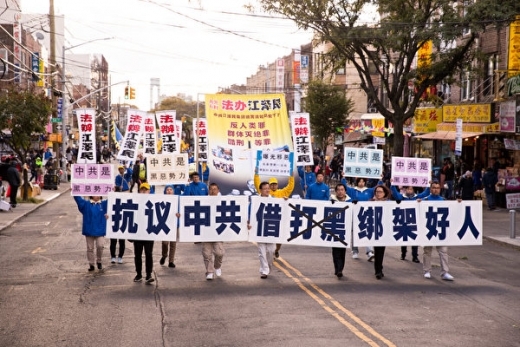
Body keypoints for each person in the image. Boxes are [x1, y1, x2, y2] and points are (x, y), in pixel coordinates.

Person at [253, 168, 294, 259]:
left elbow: (290, 187)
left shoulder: (282, 192)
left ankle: (276, 250)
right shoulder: (266, 192)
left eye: (275, 184)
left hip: (279, 219)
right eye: (272, 184)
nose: (273, 186)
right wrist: (256, 174)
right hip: (268, 219)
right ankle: (267, 254)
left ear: (277, 185)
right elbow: (257, 184)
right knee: (268, 241)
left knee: (280, 240)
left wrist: (291, 176)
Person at [418, 181, 455, 281]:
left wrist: (459, 204)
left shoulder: (444, 201)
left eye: (437, 188)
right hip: (428, 229)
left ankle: (445, 272)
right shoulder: (425, 200)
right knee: (427, 251)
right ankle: (427, 271)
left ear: (440, 189)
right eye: (433, 187)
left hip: (441, 229)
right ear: (430, 189)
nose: (435, 189)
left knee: (443, 251)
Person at [340, 176, 379, 261]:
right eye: (359, 181)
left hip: (367, 214)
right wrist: (343, 178)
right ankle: (355, 251)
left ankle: (369, 251)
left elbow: (377, 188)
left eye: (363, 181)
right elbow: (344, 187)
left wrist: (380, 179)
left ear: (365, 182)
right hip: (355, 214)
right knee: (355, 232)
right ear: (357, 182)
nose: (361, 183)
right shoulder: (353, 191)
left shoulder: (369, 191)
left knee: (368, 231)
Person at [390, 183, 430, 263]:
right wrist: (392, 184)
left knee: (414, 238)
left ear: (413, 190)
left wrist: (428, 184)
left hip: (414, 220)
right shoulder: (402, 197)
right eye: (408, 189)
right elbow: (395, 193)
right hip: (404, 220)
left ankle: (415, 256)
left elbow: (426, 193)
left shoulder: (417, 197)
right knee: (404, 238)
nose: (409, 190)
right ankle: (403, 254)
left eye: (411, 189)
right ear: (405, 190)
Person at [249, 181, 276, 279]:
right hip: (259, 229)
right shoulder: (256, 200)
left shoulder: (274, 200)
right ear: (260, 190)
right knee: (262, 251)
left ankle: (268, 267)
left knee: (271, 251)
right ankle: (264, 270)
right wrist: (249, 222)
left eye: (268, 188)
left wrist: (285, 201)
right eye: (265, 188)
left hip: (271, 229)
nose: (267, 190)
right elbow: (250, 212)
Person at [73, 195, 108, 272]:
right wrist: (75, 191)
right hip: (89, 229)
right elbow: (79, 200)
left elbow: (113, 200)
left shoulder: (104, 204)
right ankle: (91, 264)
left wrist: (114, 190)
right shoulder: (86, 204)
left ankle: (99, 261)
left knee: (100, 245)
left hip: (100, 229)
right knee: (90, 248)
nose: (97, 196)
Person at [201, 183, 225, 280]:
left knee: (219, 253)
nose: (213, 191)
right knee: (206, 253)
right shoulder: (204, 201)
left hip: (218, 230)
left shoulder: (223, 201)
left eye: (215, 189)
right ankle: (209, 271)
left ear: (218, 190)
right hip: (206, 231)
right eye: (211, 189)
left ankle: (217, 266)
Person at [132, 183, 155, 283]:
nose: (144, 192)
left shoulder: (154, 202)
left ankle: (149, 274)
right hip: (137, 233)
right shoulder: (135, 201)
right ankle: (139, 274)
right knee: (137, 255)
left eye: (146, 190)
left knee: (149, 254)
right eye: (142, 190)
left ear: (149, 191)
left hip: (149, 232)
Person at [330, 183, 350, 279]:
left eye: (342, 189)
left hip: (345, 230)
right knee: (335, 251)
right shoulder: (331, 201)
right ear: (336, 191)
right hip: (334, 228)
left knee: (342, 251)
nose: (340, 191)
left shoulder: (350, 201)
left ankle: (340, 269)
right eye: (338, 190)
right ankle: (338, 269)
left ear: (345, 191)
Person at [372, 184, 392, 280]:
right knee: (377, 250)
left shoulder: (389, 203)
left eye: (380, 192)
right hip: (374, 229)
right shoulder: (371, 202)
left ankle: (379, 269)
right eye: (377, 192)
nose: (378, 194)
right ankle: (378, 270)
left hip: (385, 230)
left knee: (381, 251)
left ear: (384, 193)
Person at [160, 185, 178, 269]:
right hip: (165, 224)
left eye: (171, 189)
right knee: (165, 243)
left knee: (173, 244)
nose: (169, 191)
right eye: (167, 190)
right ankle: (164, 255)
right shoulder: (162, 200)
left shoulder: (177, 200)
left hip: (174, 224)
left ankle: (171, 261)